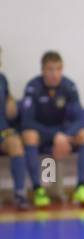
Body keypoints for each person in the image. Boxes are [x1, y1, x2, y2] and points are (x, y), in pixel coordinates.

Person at [19, 52, 84, 208]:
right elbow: (27, 121)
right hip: (41, 132)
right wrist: (55, 136)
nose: (54, 74)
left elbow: (80, 118)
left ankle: (81, 186)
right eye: (50, 69)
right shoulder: (33, 87)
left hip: (63, 133)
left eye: (58, 69)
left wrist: (65, 136)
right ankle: (38, 189)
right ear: (43, 70)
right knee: (29, 136)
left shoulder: (69, 86)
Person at [1, 58, 29, 209]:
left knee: (16, 143)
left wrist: (10, 99)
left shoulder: (2, 79)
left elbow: (7, 95)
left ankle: (19, 193)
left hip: (3, 131)